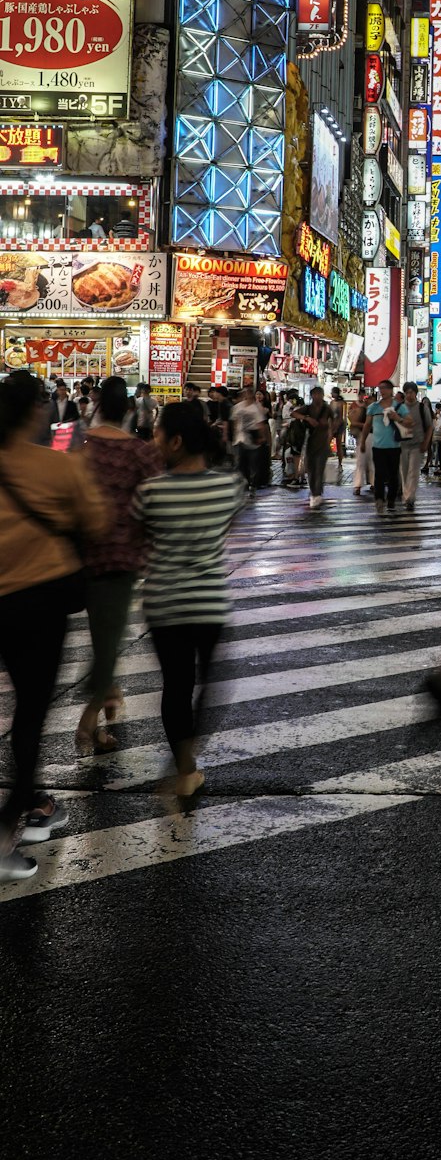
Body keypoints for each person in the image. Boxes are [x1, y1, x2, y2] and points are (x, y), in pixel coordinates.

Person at [0, 371, 107, 881]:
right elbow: (97, 523)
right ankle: (12, 827)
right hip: (39, 606)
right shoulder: (56, 467)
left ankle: (32, 806)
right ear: (33, 412)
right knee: (30, 713)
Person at [132, 401, 246, 801]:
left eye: (158, 434)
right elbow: (225, 527)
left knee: (175, 687)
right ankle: (188, 759)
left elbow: (139, 538)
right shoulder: (230, 486)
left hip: (163, 603)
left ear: (176, 441)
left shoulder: (149, 492)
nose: (154, 440)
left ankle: (184, 769)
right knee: (210, 685)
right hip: (208, 603)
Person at [77, 375, 162, 753]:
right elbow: (156, 504)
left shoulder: (79, 449)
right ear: (129, 410)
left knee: (104, 636)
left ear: (96, 407)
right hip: (120, 557)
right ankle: (88, 719)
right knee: (108, 642)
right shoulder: (140, 453)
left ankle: (101, 715)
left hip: (78, 557)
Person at [361, 379, 407, 516]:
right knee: (379, 474)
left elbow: (410, 421)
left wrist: (397, 418)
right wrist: (363, 441)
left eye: (385, 388)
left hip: (394, 445)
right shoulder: (374, 407)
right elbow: (367, 425)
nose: (382, 391)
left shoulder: (398, 407)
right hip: (378, 446)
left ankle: (391, 500)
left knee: (393, 475)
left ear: (391, 390)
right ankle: (379, 499)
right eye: (380, 388)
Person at [291, 385, 333, 509]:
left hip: (323, 444)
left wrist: (330, 433)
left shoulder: (327, 409)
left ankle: (317, 493)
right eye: (315, 394)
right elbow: (293, 414)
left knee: (319, 469)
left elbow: (335, 422)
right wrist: (307, 418)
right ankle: (314, 492)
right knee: (311, 470)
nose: (318, 397)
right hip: (310, 443)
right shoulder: (308, 409)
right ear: (312, 396)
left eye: (320, 394)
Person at [397, 380, 434, 509]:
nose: (409, 395)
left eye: (411, 392)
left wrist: (426, 442)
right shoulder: (400, 407)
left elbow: (430, 427)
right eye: (407, 392)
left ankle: (410, 498)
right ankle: (407, 495)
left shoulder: (422, 408)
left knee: (413, 472)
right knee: (404, 471)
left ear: (416, 393)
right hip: (402, 444)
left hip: (417, 444)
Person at [230, 384, 270, 495]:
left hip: (253, 441)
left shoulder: (257, 408)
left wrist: (262, 437)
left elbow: (261, 424)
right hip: (240, 439)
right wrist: (235, 434)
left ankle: (252, 485)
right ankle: (244, 484)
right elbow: (234, 421)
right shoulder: (238, 407)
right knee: (240, 464)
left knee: (253, 464)